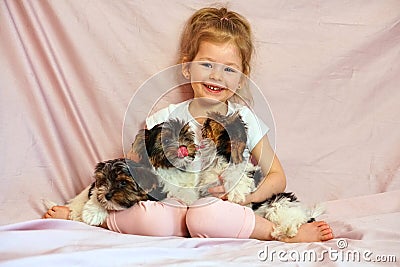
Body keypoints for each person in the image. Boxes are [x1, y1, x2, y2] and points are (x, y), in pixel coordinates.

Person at [44, 7, 334, 243]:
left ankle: (277, 233)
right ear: (186, 67)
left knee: (206, 216)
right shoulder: (163, 119)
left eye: (229, 69)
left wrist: (246, 197)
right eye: (207, 64)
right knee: (151, 218)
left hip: (222, 210)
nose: (217, 76)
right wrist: (77, 207)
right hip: (171, 212)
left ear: (242, 77)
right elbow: (127, 170)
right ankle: (91, 216)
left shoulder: (245, 121)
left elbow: (276, 176)